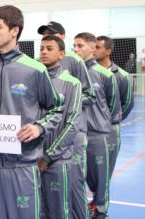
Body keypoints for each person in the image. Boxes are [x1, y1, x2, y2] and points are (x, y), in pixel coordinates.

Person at [0, 5, 63, 218]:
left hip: (23, 165)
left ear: (14, 30)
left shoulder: (35, 69)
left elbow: (57, 109)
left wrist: (39, 127)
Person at [38, 21, 95, 219]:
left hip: (71, 136)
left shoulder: (74, 66)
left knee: (74, 183)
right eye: (43, 39)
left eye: (51, 36)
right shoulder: (37, 72)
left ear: (62, 37)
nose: (44, 50)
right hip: (43, 143)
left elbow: (89, 95)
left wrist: (67, 103)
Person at [73, 32, 121, 219]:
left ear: (92, 48)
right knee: (77, 179)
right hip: (75, 134)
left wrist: (100, 123)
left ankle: (100, 214)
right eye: (74, 46)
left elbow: (115, 108)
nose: (75, 50)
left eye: (80, 46)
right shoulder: (70, 73)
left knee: (100, 181)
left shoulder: (105, 75)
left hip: (97, 136)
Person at [94, 35, 134, 178]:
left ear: (108, 51)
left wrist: (109, 121)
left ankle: (100, 200)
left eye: (98, 47)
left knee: (105, 173)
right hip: (89, 131)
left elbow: (128, 103)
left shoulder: (122, 76)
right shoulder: (87, 73)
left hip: (109, 130)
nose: (94, 50)